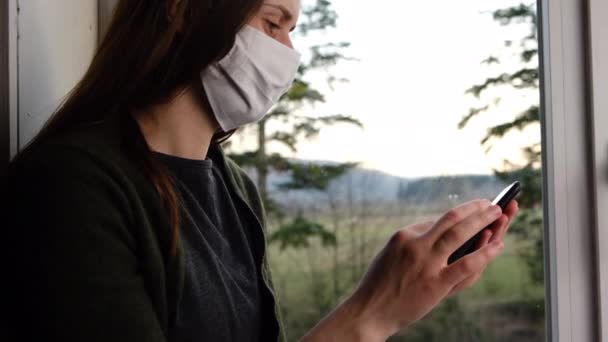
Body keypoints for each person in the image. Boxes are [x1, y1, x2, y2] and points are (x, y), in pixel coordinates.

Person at [1, 0, 518, 341]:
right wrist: (371, 313)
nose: (288, 54)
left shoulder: (234, 189)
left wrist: (399, 293)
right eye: (273, 23)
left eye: (292, 29)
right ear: (182, 8)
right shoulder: (71, 189)